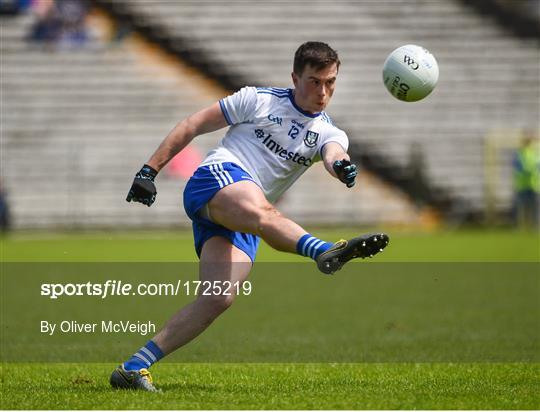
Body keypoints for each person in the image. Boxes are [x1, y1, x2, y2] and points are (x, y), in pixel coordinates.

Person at [111, 42, 390, 392]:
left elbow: (333, 153)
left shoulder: (329, 132)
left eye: (331, 82)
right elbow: (193, 123)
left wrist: (342, 167)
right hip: (216, 180)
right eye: (314, 81)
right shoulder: (258, 100)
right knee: (264, 211)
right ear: (294, 77)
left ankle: (134, 367)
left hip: (243, 214)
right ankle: (322, 251)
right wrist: (149, 171)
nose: (323, 92)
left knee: (218, 297)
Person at [512, 131, 540, 229]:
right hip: (522, 185)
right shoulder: (520, 153)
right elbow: (517, 166)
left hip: (535, 185)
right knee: (521, 208)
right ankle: (519, 227)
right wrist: (528, 170)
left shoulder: (537, 152)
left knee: (535, 208)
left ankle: (536, 226)